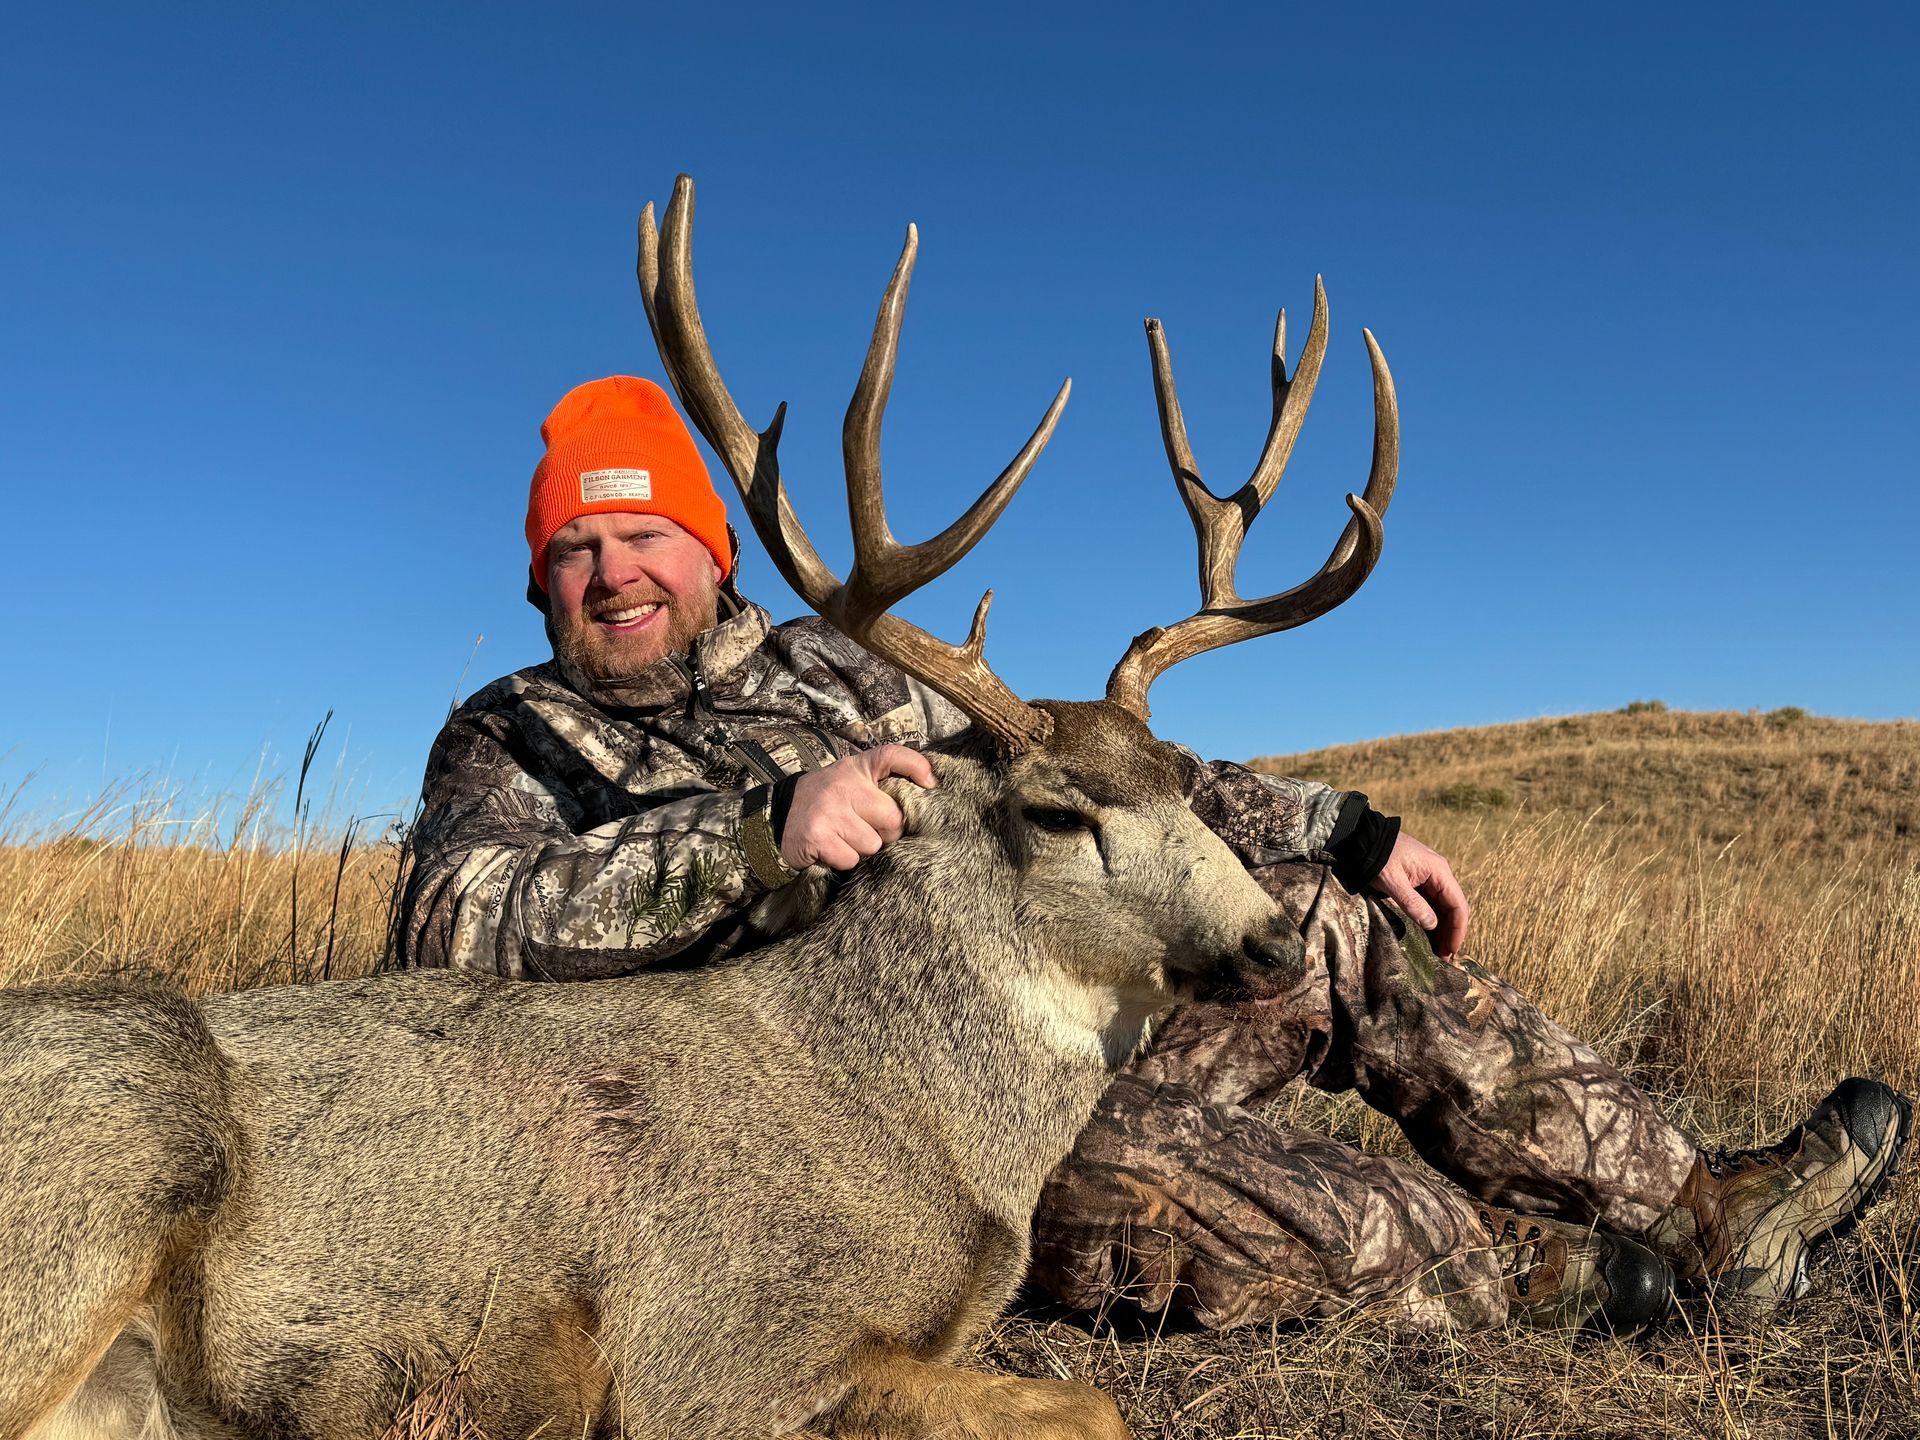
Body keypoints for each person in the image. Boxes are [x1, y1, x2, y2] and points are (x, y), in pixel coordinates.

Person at [399, 374, 1911, 1335]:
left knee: (1315, 924)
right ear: (542, 579)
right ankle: (1527, 1278)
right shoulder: (514, 735)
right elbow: (450, 938)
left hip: (1035, 1031)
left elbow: (1099, 783)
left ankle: (1708, 1214)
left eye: (640, 537)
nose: (611, 575)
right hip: (841, 1153)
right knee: (1107, 1173)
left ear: (707, 549)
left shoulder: (854, 672)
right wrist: (750, 842)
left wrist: (1346, 829)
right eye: (573, 552)